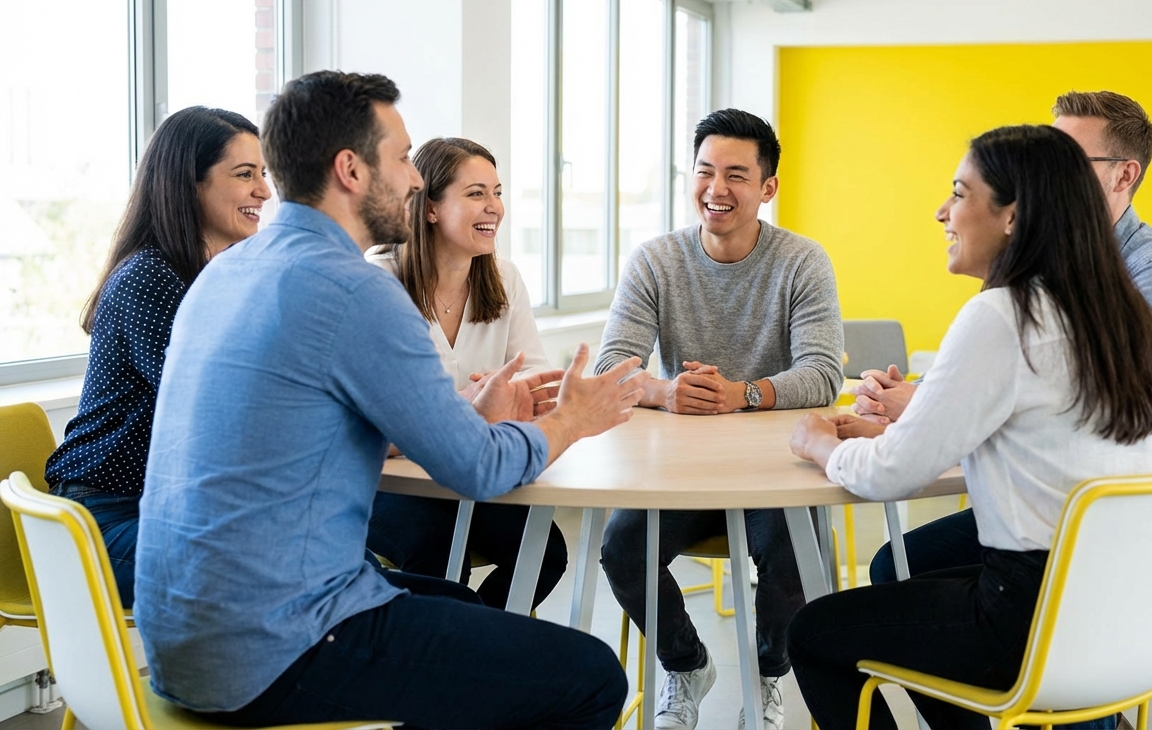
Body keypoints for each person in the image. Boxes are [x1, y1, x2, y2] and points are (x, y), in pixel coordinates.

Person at [134, 70, 644, 729]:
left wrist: (466, 418)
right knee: (591, 677)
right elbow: (478, 471)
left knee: (460, 603)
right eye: (402, 158)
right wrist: (574, 420)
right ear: (351, 169)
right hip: (275, 650)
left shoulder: (227, 271)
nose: (411, 178)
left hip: (186, 642)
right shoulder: (354, 289)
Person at [786, 124, 1152, 729]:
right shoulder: (1117, 312)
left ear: (1013, 217)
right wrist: (899, 435)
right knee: (910, 578)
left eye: (960, 193)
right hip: (1118, 605)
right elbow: (1043, 448)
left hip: (1030, 616)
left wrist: (817, 445)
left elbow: (889, 477)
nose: (942, 211)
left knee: (812, 632)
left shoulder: (1001, 314)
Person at [595, 108, 844, 730]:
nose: (717, 188)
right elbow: (611, 368)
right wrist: (664, 391)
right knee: (622, 548)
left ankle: (768, 676)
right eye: (705, 171)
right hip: (683, 470)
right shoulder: (656, 260)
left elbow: (823, 374)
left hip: (776, 466)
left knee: (791, 553)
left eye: (736, 174)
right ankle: (687, 664)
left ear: (767, 187)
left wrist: (743, 394)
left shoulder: (802, 262)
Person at [44, 106, 268, 606]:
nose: (264, 191)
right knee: (269, 569)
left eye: (264, 174)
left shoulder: (215, 279)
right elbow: (215, 409)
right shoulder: (150, 278)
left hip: (168, 508)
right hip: (105, 517)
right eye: (245, 174)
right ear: (189, 184)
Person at [365, 136, 566, 610]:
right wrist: (474, 406)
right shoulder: (379, 280)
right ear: (430, 206)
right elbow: (382, 420)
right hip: (389, 481)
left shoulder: (503, 276)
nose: (494, 206)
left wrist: (501, 403)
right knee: (435, 553)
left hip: (468, 471)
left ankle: (477, 642)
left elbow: (534, 384)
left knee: (544, 551)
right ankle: (449, 652)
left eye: (497, 192)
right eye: (476, 193)